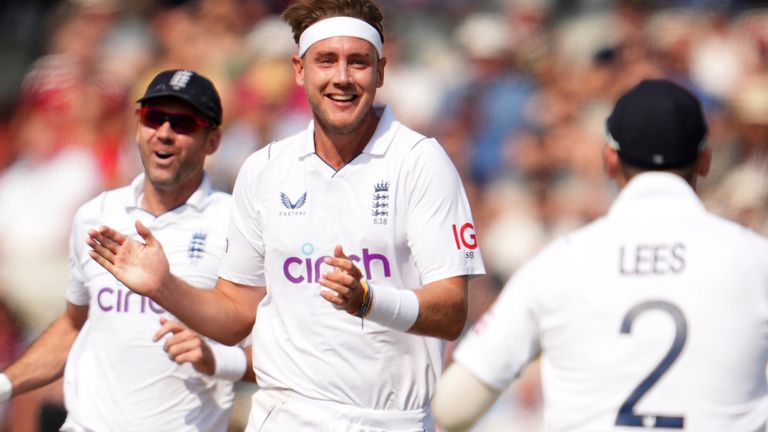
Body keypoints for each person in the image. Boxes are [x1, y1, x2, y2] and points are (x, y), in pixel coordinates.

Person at [86, 1, 486, 430]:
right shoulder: (265, 169)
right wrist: (165, 287)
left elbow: (451, 312)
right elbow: (236, 313)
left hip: (395, 420)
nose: (342, 78)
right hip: (288, 417)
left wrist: (368, 301)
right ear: (299, 69)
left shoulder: (419, 161)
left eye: (359, 62)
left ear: (382, 71)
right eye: (326, 61)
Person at [432, 79, 768, 432]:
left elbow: (454, 407)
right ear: (704, 160)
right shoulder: (755, 258)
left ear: (609, 160)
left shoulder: (557, 263)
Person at [0, 69, 253, 431]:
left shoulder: (235, 222)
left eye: (183, 123)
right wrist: (5, 384)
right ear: (137, 126)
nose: (164, 132)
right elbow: (75, 324)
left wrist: (217, 357)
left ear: (212, 141)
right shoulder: (95, 214)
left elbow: (257, 336)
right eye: (153, 118)